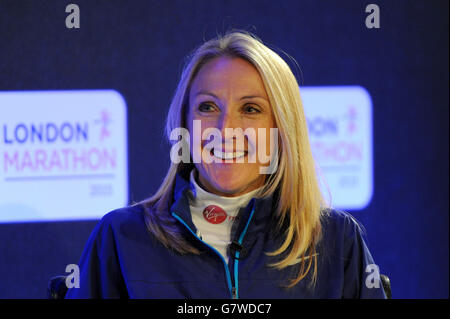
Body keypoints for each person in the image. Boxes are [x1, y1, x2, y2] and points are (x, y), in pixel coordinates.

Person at [65, 31, 386, 299]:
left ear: (282, 129)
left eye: (250, 109)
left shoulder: (336, 240)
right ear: (185, 123)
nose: (225, 129)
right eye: (207, 107)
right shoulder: (121, 237)